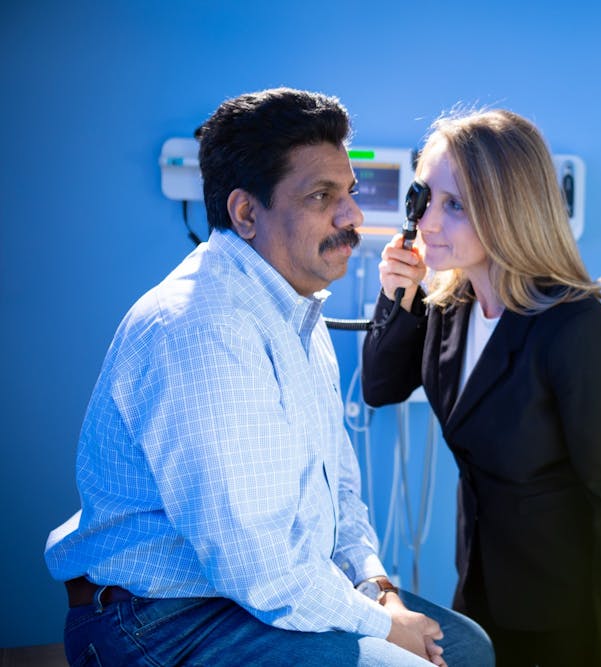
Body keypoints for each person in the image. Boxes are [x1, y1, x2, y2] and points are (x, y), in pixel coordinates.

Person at [44, 87, 493, 667]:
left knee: (466, 649)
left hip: (249, 597)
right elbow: (256, 566)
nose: (353, 216)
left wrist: (378, 589)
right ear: (246, 213)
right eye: (321, 196)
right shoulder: (201, 329)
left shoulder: (296, 313)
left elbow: (342, 495)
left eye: (350, 193)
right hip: (158, 621)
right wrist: (381, 625)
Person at [362, 109, 601, 666]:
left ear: (509, 210)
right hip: (478, 592)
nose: (429, 223)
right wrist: (397, 293)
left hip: (563, 615)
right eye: (427, 199)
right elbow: (380, 386)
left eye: (457, 206)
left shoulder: (578, 332)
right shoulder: (449, 306)